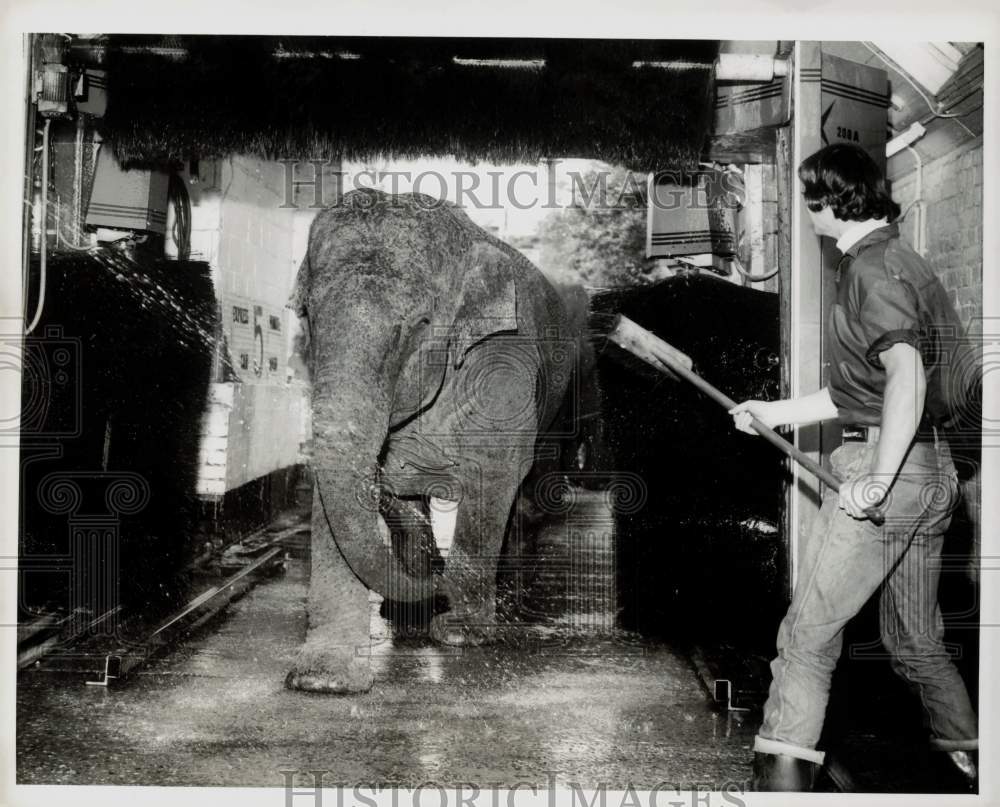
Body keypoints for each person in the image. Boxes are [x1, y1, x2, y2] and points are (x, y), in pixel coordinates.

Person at [729, 143, 978, 792]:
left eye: (809, 198)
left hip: (890, 469)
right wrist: (773, 410)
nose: (806, 212)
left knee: (807, 636)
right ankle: (976, 756)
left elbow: (904, 378)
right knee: (914, 642)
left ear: (832, 202)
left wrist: (876, 477)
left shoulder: (869, 269)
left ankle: (776, 791)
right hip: (932, 473)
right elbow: (858, 390)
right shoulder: (899, 259)